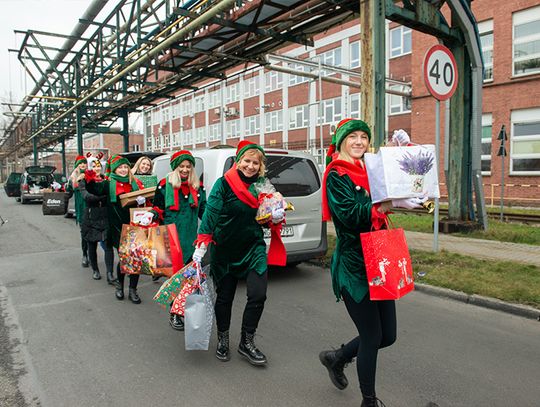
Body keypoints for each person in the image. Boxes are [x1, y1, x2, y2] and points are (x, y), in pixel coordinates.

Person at [319, 119, 422, 407]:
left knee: (387, 336)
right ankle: (369, 400)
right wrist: (385, 205)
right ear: (341, 141)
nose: (359, 141)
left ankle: (336, 358)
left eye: (364, 136)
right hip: (354, 266)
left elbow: (393, 175)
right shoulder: (336, 174)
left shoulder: (367, 167)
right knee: (372, 335)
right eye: (353, 136)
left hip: (379, 259)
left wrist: (399, 151)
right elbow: (350, 215)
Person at [193, 140, 283, 366]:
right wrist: (202, 242)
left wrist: (275, 216)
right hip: (225, 249)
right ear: (238, 161)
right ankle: (223, 339)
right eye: (247, 161)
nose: (251, 166)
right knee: (225, 297)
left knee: (258, 294)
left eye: (255, 162)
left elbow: (266, 219)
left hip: (253, 247)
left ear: (260, 165)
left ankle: (247, 341)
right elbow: (211, 213)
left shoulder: (264, 186)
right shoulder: (224, 184)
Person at [151, 150, 207, 330]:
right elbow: (158, 209)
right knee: (176, 279)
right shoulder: (163, 185)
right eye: (181, 166)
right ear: (175, 168)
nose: (185, 169)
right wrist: (152, 214)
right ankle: (174, 314)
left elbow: (204, 211)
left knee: (190, 279)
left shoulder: (198, 188)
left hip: (190, 238)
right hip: (171, 238)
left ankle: (184, 310)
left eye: (188, 167)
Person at [85, 154, 146, 304]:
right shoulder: (108, 183)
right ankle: (120, 285)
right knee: (125, 259)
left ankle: (133, 289)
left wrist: (142, 201)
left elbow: (147, 200)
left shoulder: (135, 183)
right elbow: (94, 188)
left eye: (125, 167)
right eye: (120, 167)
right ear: (114, 169)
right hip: (117, 227)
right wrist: (90, 175)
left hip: (135, 226)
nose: (124, 170)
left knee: (136, 259)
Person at [66, 155, 89, 268]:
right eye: (80, 163)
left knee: (91, 232)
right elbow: (69, 191)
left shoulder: (90, 174)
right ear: (77, 165)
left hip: (91, 206)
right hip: (81, 208)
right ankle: (85, 254)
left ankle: (90, 252)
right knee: (84, 232)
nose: (83, 165)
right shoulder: (73, 177)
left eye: (84, 163)